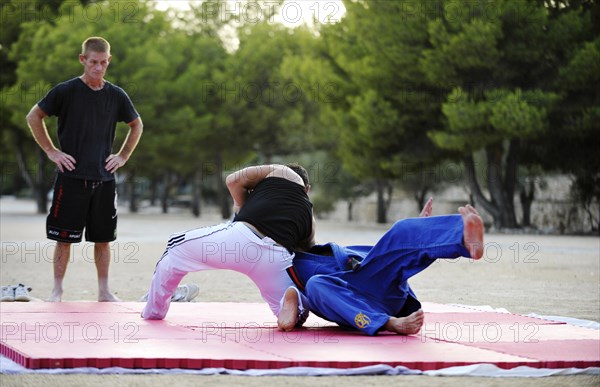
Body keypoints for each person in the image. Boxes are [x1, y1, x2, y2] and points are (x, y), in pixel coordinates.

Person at [25, 37, 143, 302]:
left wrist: (123, 155)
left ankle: (103, 291)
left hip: (104, 179)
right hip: (71, 178)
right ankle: (57, 290)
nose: (99, 68)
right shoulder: (65, 91)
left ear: (108, 60)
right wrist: (51, 151)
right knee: (63, 239)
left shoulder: (116, 95)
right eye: (93, 62)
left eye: (103, 63)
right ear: (83, 60)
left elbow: (137, 125)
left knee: (103, 240)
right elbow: (33, 116)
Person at [141, 163, 315, 331]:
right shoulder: (309, 217)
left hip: (241, 238)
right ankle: (294, 303)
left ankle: (154, 312)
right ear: (307, 189)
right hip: (276, 257)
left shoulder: (282, 171)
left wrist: (241, 206)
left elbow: (233, 180)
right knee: (294, 314)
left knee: (175, 247)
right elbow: (307, 254)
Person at [288, 202, 484, 336]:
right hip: (356, 304)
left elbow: (387, 255)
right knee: (315, 285)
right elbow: (288, 311)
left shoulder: (326, 250)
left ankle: (464, 241)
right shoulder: (284, 263)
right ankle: (387, 323)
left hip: (379, 286)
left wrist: (419, 233)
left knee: (402, 229)